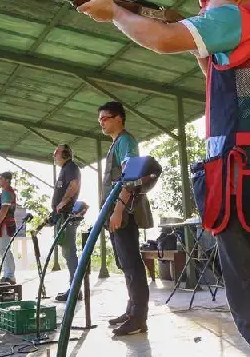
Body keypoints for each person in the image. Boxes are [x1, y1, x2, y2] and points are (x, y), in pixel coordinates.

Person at [77, 0, 250, 356]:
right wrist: (194, 40)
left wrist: (117, 13)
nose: (203, 7)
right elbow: (224, 72)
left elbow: (160, 39)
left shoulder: (235, 15)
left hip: (247, 180)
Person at [97, 101, 154, 337]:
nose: (101, 122)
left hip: (124, 212)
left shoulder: (126, 141)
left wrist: (119, 209)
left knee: (132, 264)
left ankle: (138, 318)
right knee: (126, 264)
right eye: (99, 120)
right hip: (115, 212)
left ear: (119, 118)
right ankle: (132, 310)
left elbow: (130, 178)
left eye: (105, 118)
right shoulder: (116, 144)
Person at [51, 144, 83, 302]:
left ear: (64, 153)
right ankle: (74, 287)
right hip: (62, 214)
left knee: (70, 253)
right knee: (67, 252)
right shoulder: (64, 169)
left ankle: (75, 289)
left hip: (68, 214)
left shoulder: (71, 167)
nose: (54, 155)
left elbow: (73, 185)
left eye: (56, 152)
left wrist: (63, 202)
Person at [0, 171, 17, 285]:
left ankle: (10, 276)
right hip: (4, 224)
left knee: (4, 250)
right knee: (3, 250)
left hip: (4, 224)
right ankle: (7, 275)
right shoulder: (6, 191)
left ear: (6, 180)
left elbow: (4, 209)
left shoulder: (6, 191)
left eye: (0, 178)